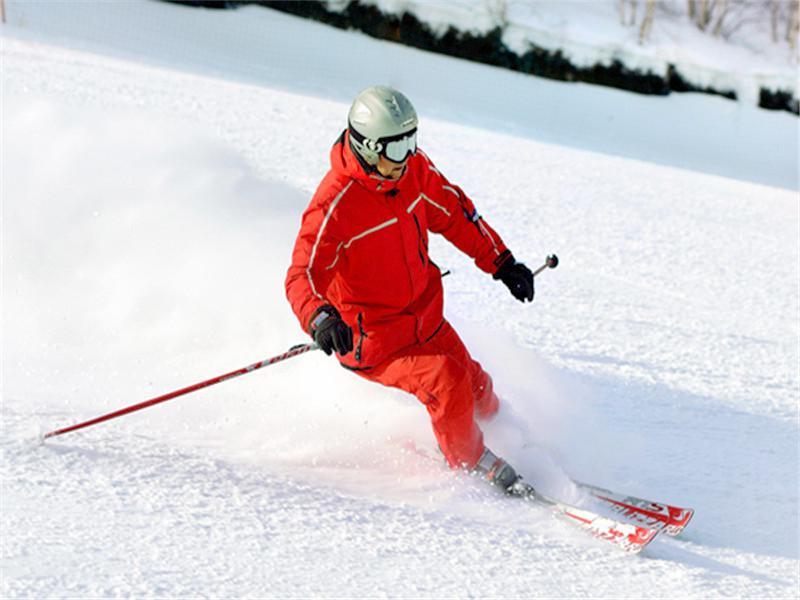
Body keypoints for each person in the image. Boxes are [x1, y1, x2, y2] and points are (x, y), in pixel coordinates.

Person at [285, 86, 535, 491]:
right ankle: (473, 466)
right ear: (368, 147)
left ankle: (515, 438)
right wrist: (319, 316)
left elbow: (455, 214)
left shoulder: (414, 171)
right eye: (397, 147)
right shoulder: (336, 204)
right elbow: (302, 274)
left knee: (476, 385)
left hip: (425, 318)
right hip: (375, 339)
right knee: (447, 380)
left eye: (411, 141)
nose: (408, 156)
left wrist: (501, 262)